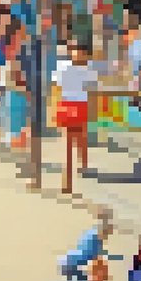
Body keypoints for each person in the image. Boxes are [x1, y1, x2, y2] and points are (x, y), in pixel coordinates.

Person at [54, 39, 99, 195]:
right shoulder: (64, 68)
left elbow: (93, 91)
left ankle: (82, 164)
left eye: (80, 50)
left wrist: (93, 111)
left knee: (81, 138)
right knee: (68, 143)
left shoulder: (90, 70)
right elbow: (56, 88)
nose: (76, 53)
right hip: (67, 104)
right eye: (74, 49)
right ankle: (68, 180)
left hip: (81, 105)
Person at [53, 215, 115, 281]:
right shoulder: (96, 242)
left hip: (67, 262)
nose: (108, 235)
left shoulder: (90, 234)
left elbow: (91, 257)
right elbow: (94, 259)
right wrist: (103, 274)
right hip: (72, 265)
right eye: (108, 232)